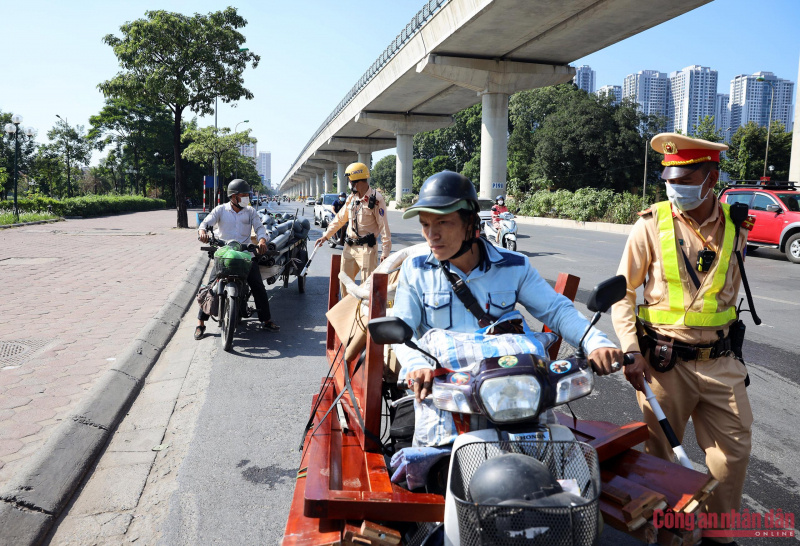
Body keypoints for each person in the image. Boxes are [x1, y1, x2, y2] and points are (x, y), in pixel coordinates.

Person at [392, 170, 623, 447]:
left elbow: (557, 310)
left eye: (443, 222)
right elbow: (402, 329)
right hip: (447, 396)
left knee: (556, 461)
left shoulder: (514, 265)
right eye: (425, 224)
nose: (432, 235)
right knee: (415, 472)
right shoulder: (415, 270)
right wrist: (417, 365)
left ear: (470, 224)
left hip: (512, 393)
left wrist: (596, 343)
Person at [611, 134, 753, 546]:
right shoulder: (650, 224)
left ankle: (717, 537)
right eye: (670, 178)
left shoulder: (736, 226)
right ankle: (670, 540)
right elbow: (624, 291)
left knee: (732, 456)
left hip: (721, 362)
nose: (675, 187)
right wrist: (630, 351)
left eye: (686, 179)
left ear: (712, 178)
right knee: (661, 463)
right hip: (662, 363)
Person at [196, 179, 280, 339]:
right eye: (244, 195)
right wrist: (202, 233)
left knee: (258, 287)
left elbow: (260, 227)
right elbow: (205, 224)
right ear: (234, 197)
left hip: (246, 255)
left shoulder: (250, 212)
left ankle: (267, 320)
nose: (247, 198)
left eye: (247, 195)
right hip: (225, 254)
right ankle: (201, 323)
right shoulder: (220, 210)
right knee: (210, 288)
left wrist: (262, 240)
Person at [315, 162, 392, 297]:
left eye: (350, 180)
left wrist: (385, 251)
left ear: (357, 181)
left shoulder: (376, 199)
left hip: (367, 249)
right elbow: (339, 219)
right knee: (344, 283)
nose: (349, 183)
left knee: (367, 287)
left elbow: (383, 227)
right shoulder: (351, 198)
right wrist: (326, 236)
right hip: (349, 247)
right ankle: (348, 314)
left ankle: (363, 315)